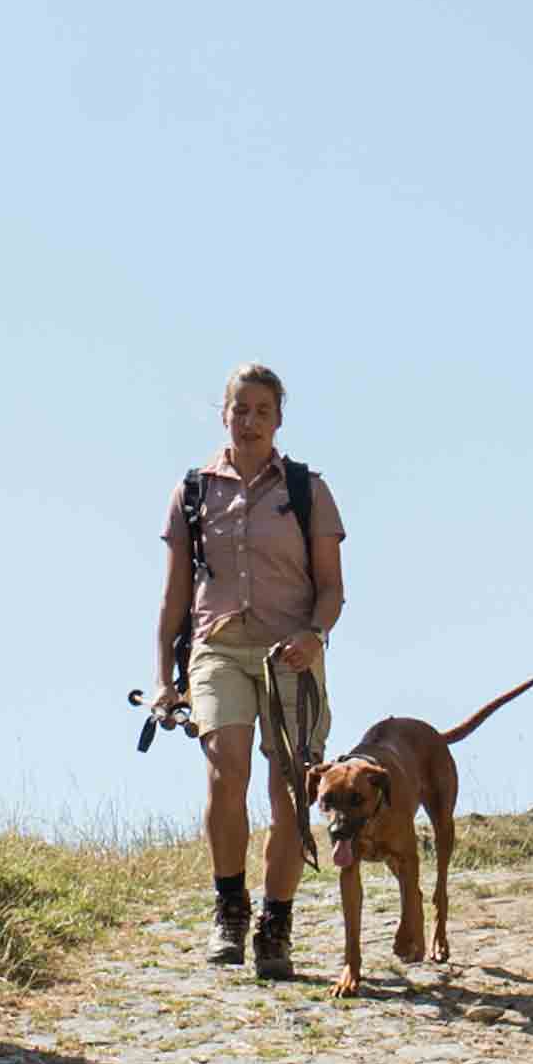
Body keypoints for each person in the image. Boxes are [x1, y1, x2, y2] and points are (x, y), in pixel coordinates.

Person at [154, 362, 345, 977]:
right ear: (224, 414)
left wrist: (313, 637)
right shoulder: (193, 491)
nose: (251, 421)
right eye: (241, 409)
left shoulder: (306, 489)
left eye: (263, 411)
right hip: (218, 648)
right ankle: (229, 909)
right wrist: (164, 676)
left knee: (291, 788)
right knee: (224, 770)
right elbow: (174, 595)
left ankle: (276, 925)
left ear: (279, 419)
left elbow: (333, 590)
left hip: (291, 649)